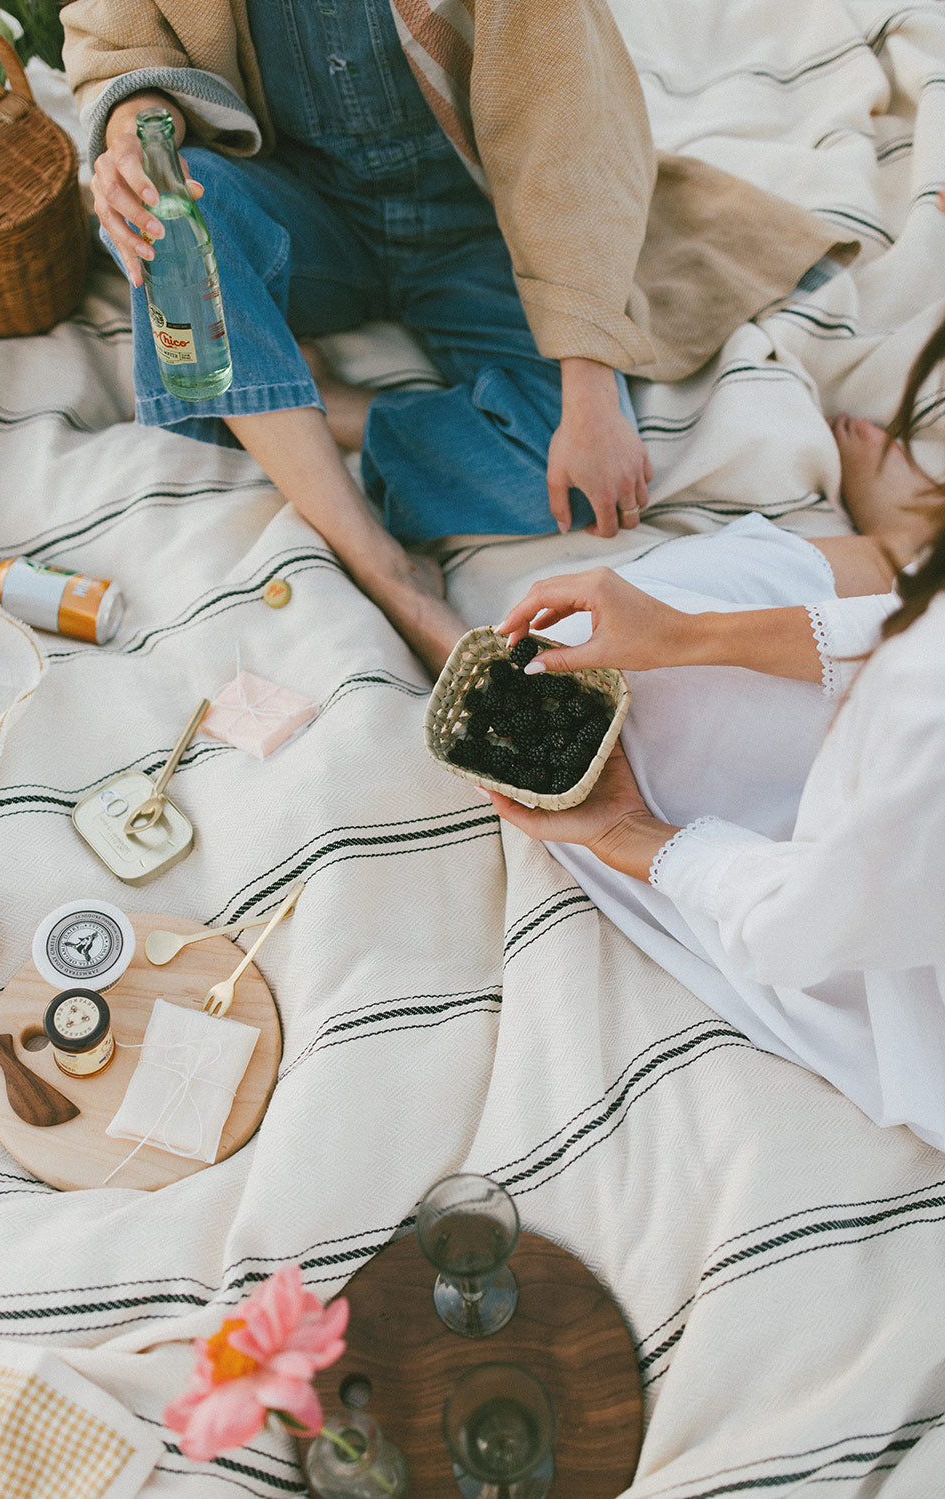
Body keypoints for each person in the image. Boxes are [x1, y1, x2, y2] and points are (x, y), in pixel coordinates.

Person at [61, 0, 850, 674]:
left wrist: (590, 384)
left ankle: (314, 402)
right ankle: (386, 569)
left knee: (563, 471)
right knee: (163, 220)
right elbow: (122, 40)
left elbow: (568, 128)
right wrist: (133, 140)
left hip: (478, 219)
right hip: (308, 205)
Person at [487, 342, 945, 1153]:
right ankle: (907, 550)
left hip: (891, 938)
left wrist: (637, 838)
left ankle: (903, 553)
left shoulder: (918, 725)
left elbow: (806, 927)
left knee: (598, 764)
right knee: (630, 628)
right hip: (896, 769)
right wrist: (687, 634)